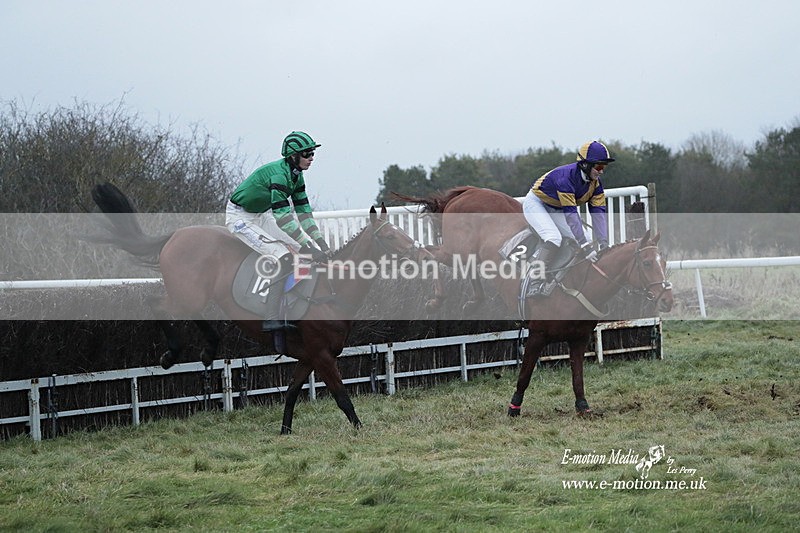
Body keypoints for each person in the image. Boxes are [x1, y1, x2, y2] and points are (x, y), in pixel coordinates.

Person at [226, 131, 331, 330]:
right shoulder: (280, 175)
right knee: (284, 256)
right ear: (294, 156)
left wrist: (321, 244)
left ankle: (291, 306)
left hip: (261, 215)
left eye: (312, 153)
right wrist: (309, 246)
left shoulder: (297, 177)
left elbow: (304, 214)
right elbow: (283, 218)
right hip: (240, 217)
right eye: (307, 154)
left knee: (300, 250)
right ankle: (270, 317)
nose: (311, 158)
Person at [522, 140, 614, 297]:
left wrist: (603, 243)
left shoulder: (596, 184)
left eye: (604, 167)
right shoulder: (565, 178)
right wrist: (585, 246)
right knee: (553, 238)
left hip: (556, 208)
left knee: (586, 237)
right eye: (599, 167)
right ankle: (534, 281)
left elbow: (598, 214)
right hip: (537, 204)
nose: (601, 171)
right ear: (585, 164)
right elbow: (571, 215)